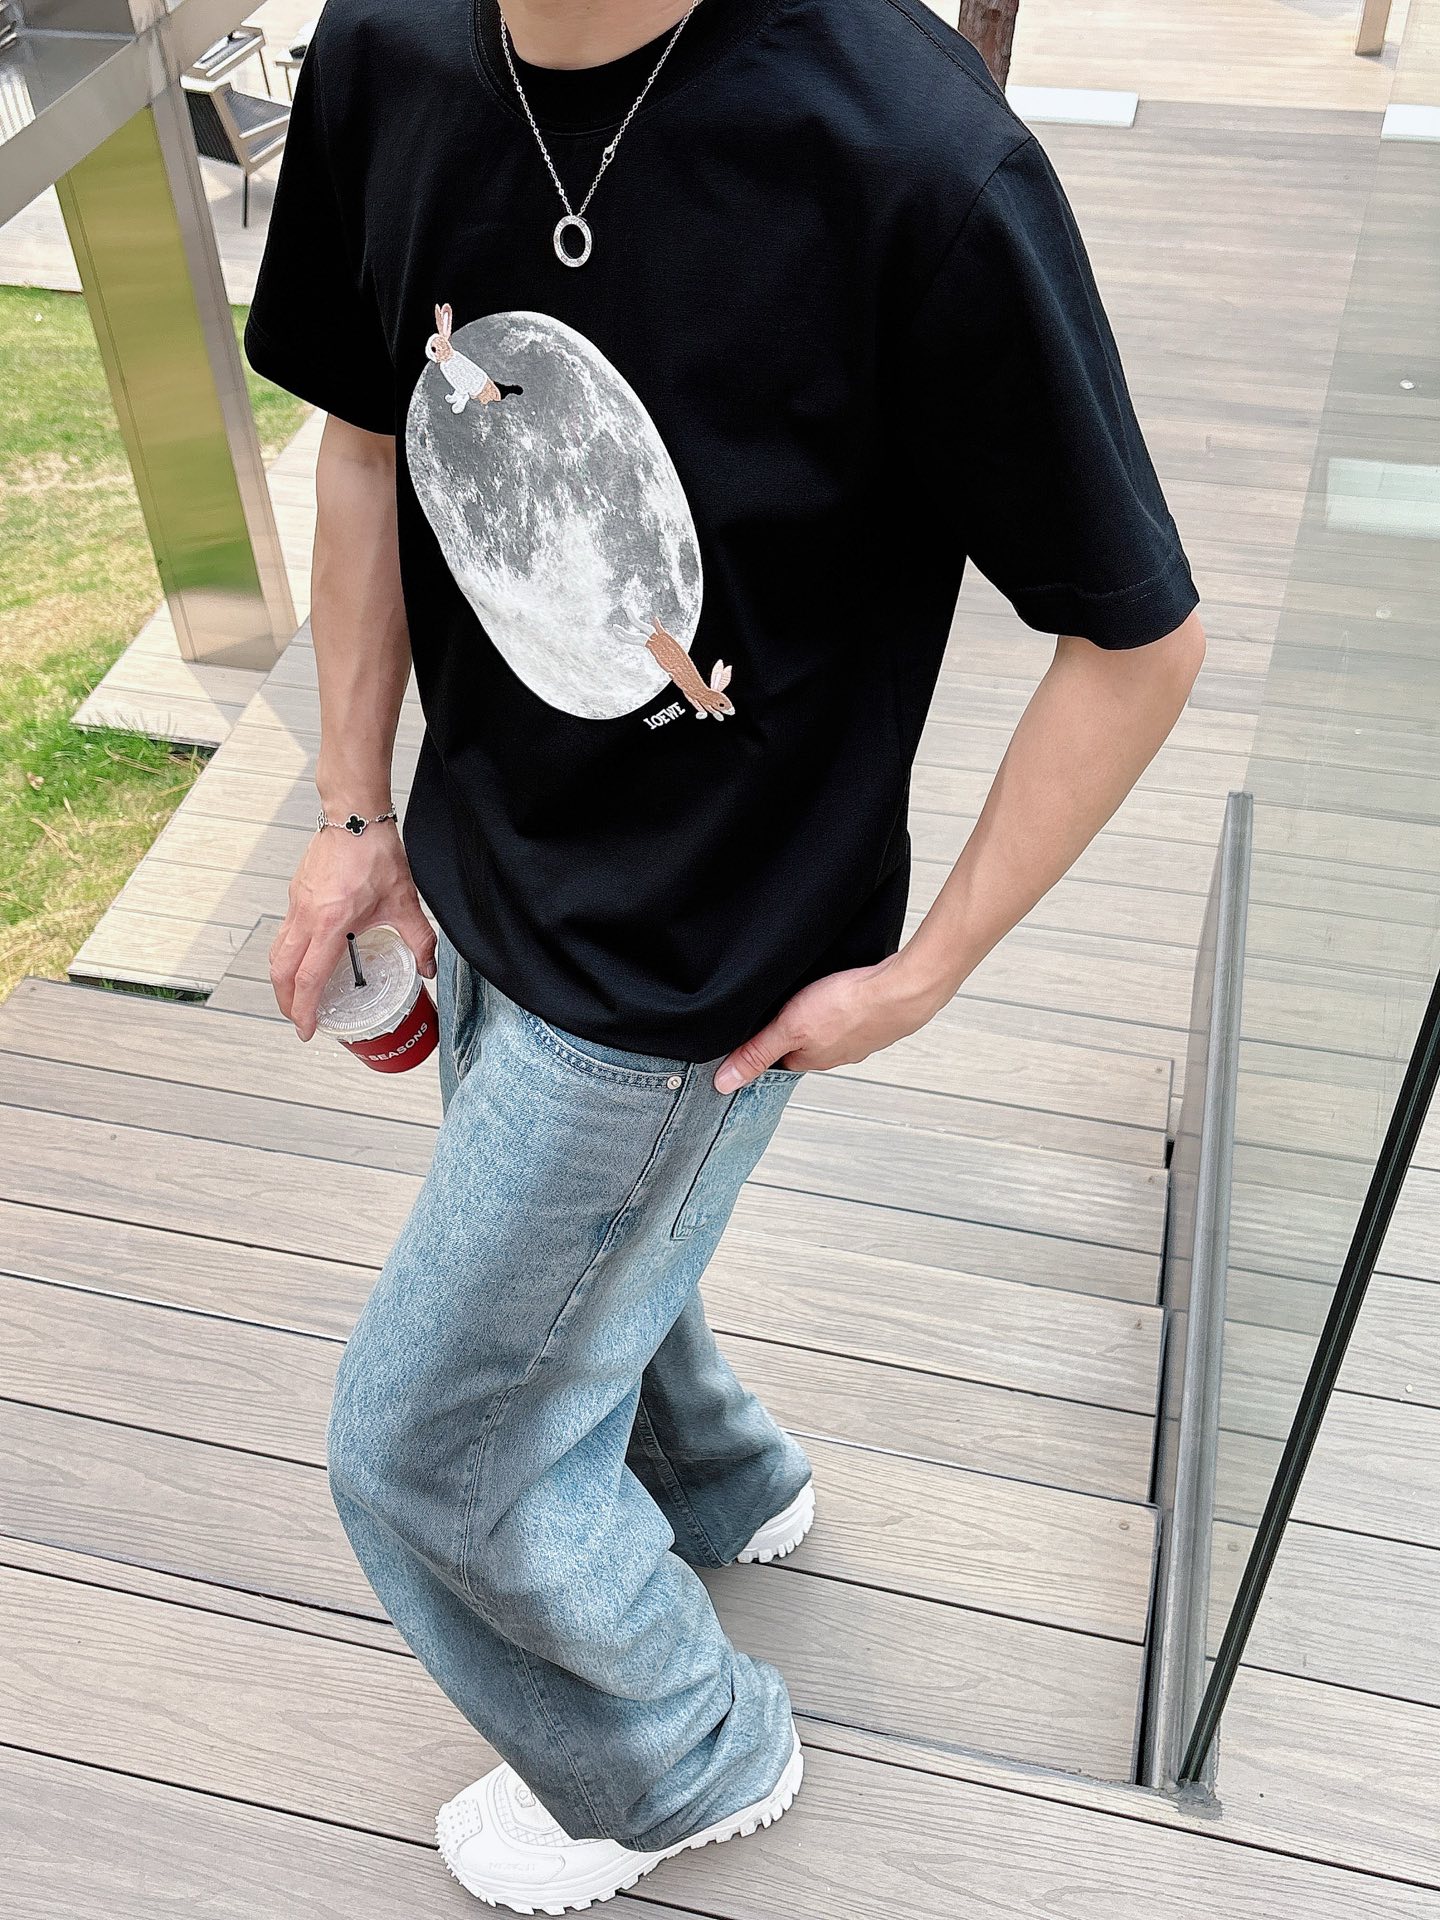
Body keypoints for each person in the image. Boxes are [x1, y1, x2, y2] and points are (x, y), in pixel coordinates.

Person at [245, 0, 1205, 1907]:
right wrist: (354, 812)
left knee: (428, 1450)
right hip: (483, 857)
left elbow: (1136, 638)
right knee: (580, 1284)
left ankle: (683, 1755)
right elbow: (366, 432)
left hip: (711, 968)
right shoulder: (385, 49)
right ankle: (720, 1485)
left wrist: (923, 972)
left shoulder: (914, 158)